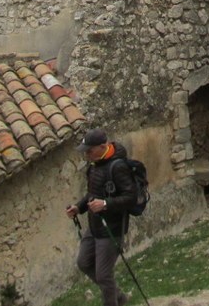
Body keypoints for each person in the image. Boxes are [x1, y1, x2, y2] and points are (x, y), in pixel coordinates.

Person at [65, 129, 137, 306]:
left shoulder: (118, 166)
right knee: (84, 262)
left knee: (104, 275)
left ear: (103, 146)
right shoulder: (95, 165)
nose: (86, 154)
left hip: (111, 229)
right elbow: (92, 193)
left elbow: (131, 197)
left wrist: (105, 204)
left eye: (89, 150)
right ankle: (119, 297)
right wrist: (79, 208)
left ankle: (113, 302)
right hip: (95, 226)